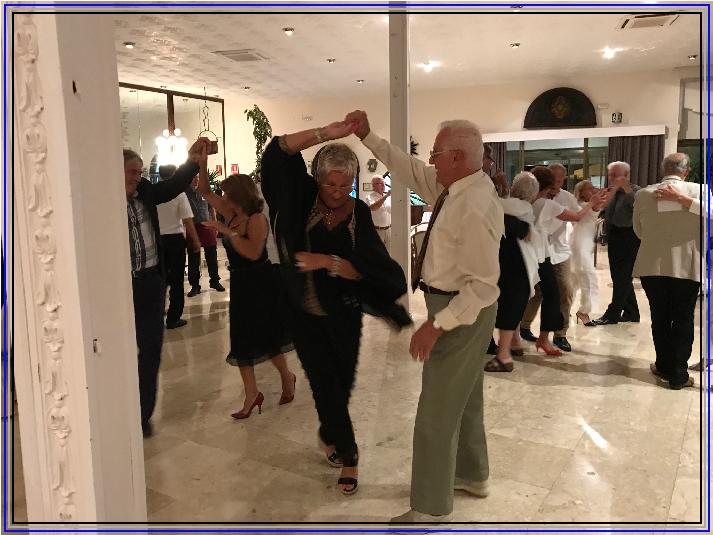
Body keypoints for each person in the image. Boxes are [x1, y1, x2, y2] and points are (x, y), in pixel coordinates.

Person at [345, 110, 503, 524]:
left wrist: (436, 325)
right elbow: (410, 169)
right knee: (465, 398)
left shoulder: (473, 205)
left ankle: (431, 508)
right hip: (455, 308)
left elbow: (483, 286)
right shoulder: (458, 186)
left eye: (436, 153)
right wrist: (368, 136)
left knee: (435, 411)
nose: (430, 160)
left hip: (459, 311)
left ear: (457, 157)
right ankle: (472, 474)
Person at [260, 120, 411, 497]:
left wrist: (332, 263)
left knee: (342, 384)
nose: (338, 193)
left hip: (344, 312)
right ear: (318, 179)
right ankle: (349, 454)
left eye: (346, 185)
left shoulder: (358, 213)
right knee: (324, 383)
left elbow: (375, 269)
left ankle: (329, 432)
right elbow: (277, 153)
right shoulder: (298, 199)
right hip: (302, 313)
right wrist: (328, 132)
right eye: (330, 185)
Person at [195, 164, 296, 420]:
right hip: (240, 283)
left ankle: (287, 377)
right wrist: (202, 162)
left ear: (238, 196)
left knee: (268, 336)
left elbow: (252, 252)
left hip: (262, 282)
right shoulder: (230, 212)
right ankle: (251, 394)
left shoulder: (256, 219)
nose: (223, 196)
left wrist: (227, 232)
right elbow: (204, 190)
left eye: (227, 193)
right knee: (241, 338)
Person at [123, 138, 207, 438]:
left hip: (149, 282)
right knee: (120, 351)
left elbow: (171, 187)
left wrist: (192, 162)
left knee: (151, 349)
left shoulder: (145, 191)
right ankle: (120, 411)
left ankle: (142, 414)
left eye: (139, 171)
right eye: (132, 171)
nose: (137, 177)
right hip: (121, 288)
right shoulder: (103, 200)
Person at [634, 153, 705, 390]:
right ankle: (678, 374)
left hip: (652, 264)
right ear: (687, 170)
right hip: (687, 263)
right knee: (683, 317)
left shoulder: (644, 194)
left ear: (663, 169)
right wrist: (687, 202)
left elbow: (638, 230)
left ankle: (664, 365)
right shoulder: (700, 191)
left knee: (660, 316)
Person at [520, 167, 598, 356]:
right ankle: (526, 329)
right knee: (537, 293)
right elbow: (577, 216)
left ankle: (559, 334)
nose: (557, 183)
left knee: (564, 291)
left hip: (557, 252)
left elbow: (579, 216)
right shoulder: (538, 200)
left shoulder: (562, 198)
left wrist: (593, 205)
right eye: (554, 180)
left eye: (560, 180)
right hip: (538, 253)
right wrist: (592, 204)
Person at [485, 172, 541, 372]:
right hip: (520, 264)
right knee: (511, 306)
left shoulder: (501, 206)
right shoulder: (524, 209)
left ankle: (504, 355)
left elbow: (496, 211)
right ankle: (512, 345)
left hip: (510, 264)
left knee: (506, 307)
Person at [591, 161, 641, 326]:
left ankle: (612, 314)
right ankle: (632, 312)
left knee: (622, 277)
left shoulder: (636, 192)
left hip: (629, 237)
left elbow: (638, 206)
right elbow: (602, 210)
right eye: (610, 174)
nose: (611, 178)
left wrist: (624, 188)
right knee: (620, 277)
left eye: (615, 175)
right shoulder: (611, 192)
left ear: (626, 176)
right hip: (614, 236)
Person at [156, 165, 201, 329]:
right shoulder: (178, 194)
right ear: (175, 175)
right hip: (175, 240)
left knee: (160, 279)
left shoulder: (155, 193)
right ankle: (173, 318)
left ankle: (157, 313)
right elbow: (187, 220)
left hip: (158, 240)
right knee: (176, 280)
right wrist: (195, 240)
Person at [184, 173, 225, 296]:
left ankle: (215, 281)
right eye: (193, 177)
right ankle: (195, 285)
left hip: (207, 226)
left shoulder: (204, 191)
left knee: (212, 255)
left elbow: (211, 208)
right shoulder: (184, 193)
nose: (196, 180)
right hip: (192, 227)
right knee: (193, 258)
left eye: (197, 177)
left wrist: (215, 223)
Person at [571, 180, 601, 326]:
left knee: (575, 279)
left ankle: (566, 307)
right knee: (587, 277)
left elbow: (600, 205)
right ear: (581, 192)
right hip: (579, 243)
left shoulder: (591, 204)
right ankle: (584, 311)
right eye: (589, 189)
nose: (593, 191)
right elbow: (578, 215)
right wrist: (592, 202)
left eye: (593, 188)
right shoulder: (579, 205)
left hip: (586, 243)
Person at [366, 174, 391, 248]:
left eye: (383, 183)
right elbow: (373, 208)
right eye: (380, 183)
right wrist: (386, 196)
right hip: (377, 231)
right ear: (373, 185)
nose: (383, 185)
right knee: (378, 253)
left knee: (389, 253)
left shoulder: (389, 197)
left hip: (389, 230)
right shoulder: (370, 197)